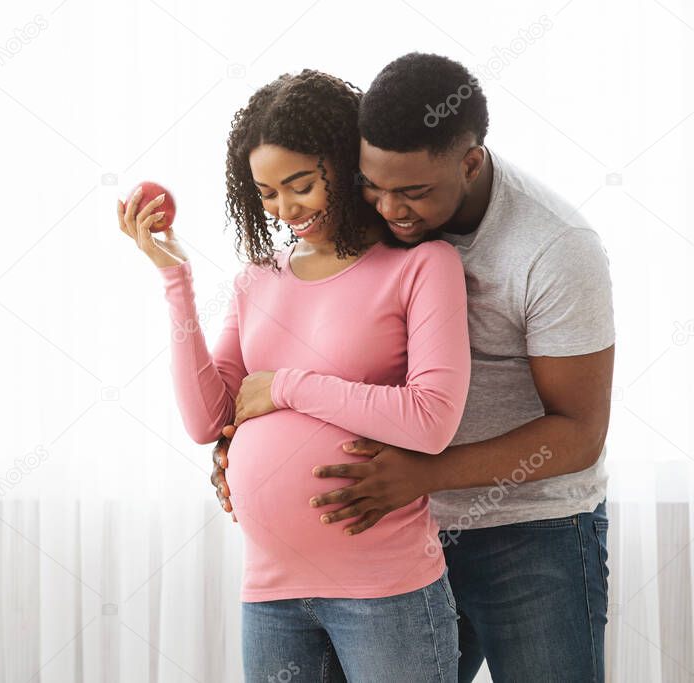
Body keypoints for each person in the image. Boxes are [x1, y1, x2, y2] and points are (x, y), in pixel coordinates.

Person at [212, 54, 615, 682]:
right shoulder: (371, 216)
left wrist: (419, 476)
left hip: (529, 532)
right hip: (392, 535)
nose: (390, 210)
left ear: (470, 162)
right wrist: (246, 448)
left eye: (414, 193)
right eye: (373, 184)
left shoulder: (554, 248)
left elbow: (580, 431)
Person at [118, 69, 470, 682]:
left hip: (384, 588)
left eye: (300, 185)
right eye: (267, 193)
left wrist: (285, 385)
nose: (285, 209)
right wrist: (176, 282)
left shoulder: (421, 266)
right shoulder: (259, 278)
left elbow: (431, 419)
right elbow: (208, 419)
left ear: (341, 161)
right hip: (272, 591)